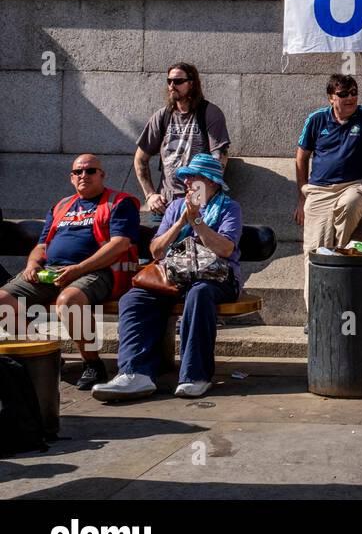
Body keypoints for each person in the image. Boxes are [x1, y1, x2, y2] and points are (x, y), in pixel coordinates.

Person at [93, 154, 243, 401]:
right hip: (173, 275)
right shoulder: (175, 207)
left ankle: (196, 375)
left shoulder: (229, 207)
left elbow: (225, 250)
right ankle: (134, 373)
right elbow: (156, 251)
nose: (187, 183)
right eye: (185, 178)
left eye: (193, 177)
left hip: (216, 277)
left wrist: (197, 223)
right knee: (134, 299)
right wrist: (181, 221)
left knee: (199, 294)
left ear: (211, 182)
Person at [0, 154, 139, 390]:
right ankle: (46, 353)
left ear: (102, 175)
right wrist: (32, 264)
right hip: (51, 271)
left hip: (98, 270)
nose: (83, 175)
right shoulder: (61, 206)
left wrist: (78, 269)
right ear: (71, 177)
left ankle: (92, 363)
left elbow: (120, 244)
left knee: (69, 301)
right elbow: (42, 246)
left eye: (90, 171)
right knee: (2, 301)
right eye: (78, 172)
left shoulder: (119, 202)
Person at [295, 75, 362, 311]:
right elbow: (301, 157)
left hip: (354, 185)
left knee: (351, 203)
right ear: (331, 98)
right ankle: (315, 313)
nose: (350, 98)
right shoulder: (316, 119)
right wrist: (301, 196)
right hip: (318, 191)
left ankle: (338, 249)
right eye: (343, 94)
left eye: (354, 92)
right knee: (314, 252)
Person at [135, 63, 232, 217]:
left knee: (197, 240)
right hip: (165, 205)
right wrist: (150, 195)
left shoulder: (209, 113)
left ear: (192, 83)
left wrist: (201, 195)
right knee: (157, 241)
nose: (172, 86)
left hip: (200, 204)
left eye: (178, 81)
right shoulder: (162, 116)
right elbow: (140, 159)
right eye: (169, 81)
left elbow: (220, 158)